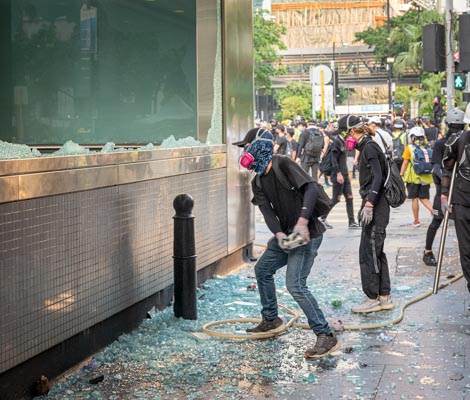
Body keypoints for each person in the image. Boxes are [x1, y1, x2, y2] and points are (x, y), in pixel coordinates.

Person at [236, 133, 339, 358]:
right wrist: (279, 234)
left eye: (248, 150)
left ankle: (325, 335)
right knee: (262, 269)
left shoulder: (283, 163)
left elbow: (311, 188)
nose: (246, 156)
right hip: (287, 235)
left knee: (295, 285)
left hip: (307, 232)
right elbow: (267, 212)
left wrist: (302, 221)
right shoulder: (258, 181)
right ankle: (271, 319)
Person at [340, 115, 394, 313]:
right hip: (376, 204)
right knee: (375, 250)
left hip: (376, 205)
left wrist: (370, 202)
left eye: (345, 134)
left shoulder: (369, 147)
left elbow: (378, 177)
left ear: (352, 131)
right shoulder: (367, 146)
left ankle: (372, 298)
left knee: (369, 251)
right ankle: (384, 296)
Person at [423, 109, 466, 266]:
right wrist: (446, 182)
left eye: (458, 127)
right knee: (436, 221)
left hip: (460, 191)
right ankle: (427, 251)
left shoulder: (465, 142)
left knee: (463, 225)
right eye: (454, 127)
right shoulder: (441, 144)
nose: (456, 130)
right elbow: (436, 168)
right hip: (444, 190)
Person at [441, 103, 470, 293]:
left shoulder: (458, 139)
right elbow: (447, 168)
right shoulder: (459, 140)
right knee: (466, 249)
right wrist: (444, 195)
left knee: (467, 249)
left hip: (462, 200)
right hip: (462, 200)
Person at [321, 119, 360, 229]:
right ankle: (322, 218)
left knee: (350, 197)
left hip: (345, 173)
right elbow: (333, 159)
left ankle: (351, 221)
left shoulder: (344, 141)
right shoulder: (337, 142)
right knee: (336, 199)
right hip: (338, 174)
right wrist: (338, 174)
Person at [399, 126, 434, 227]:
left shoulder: (409, 148)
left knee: (414, 199)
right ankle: (435, 212)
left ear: (413, 137)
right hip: (425, 177)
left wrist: (401, 174)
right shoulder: (427, 147)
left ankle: (416, 221)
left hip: (413, 178)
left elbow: (405, 163)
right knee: (424, 198)